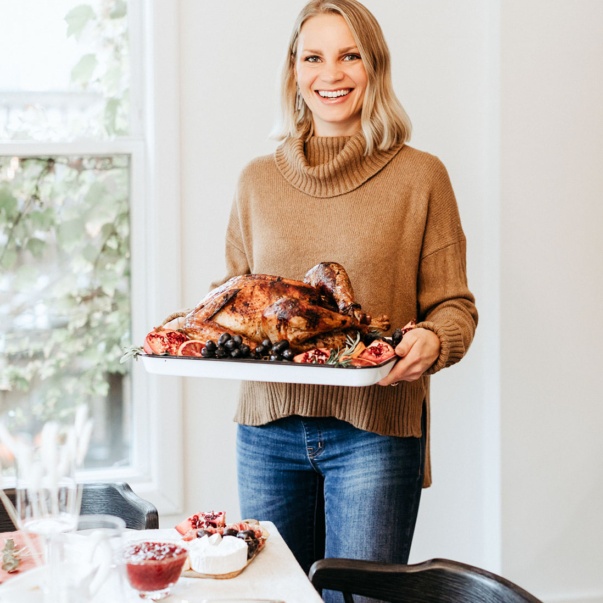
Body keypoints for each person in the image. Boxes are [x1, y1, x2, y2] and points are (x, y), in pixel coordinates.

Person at [212, 1, 478, 600]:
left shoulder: (420, 178)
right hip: (267, 430)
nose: (330, 74)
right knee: (275, 596)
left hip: (374, 431)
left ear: (375, 67)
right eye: (314, 57)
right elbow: (232, 298)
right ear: (294, 71)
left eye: (349, 55)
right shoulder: (257, 180)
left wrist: (433, 340)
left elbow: (455, 306)